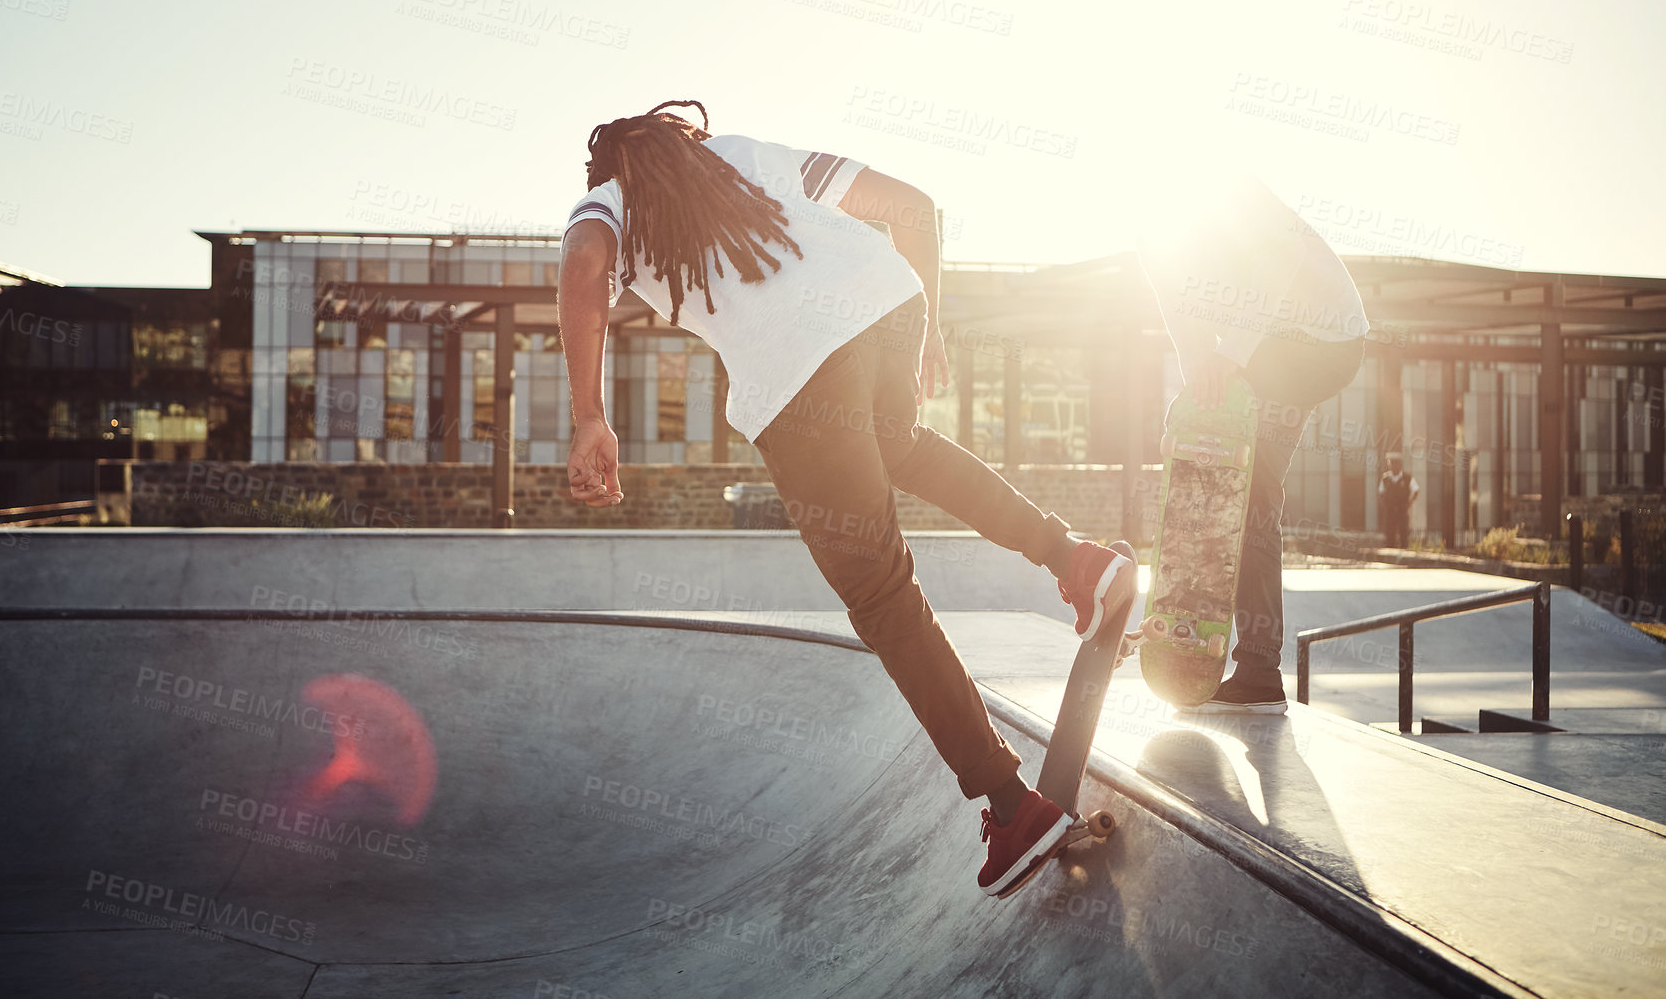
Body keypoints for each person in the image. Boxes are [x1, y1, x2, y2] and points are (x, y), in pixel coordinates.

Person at [557, 101, 1137, 896]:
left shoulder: (616, 202)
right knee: (898, 443)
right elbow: (912, 208)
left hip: (800, 375)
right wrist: (927, 328)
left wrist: (591, 415)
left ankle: (1013, 806)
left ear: (614, 172)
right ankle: (1078, 559)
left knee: (879, 593)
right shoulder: (748, 154)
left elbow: (585, 263)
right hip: (885, 307)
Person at [1137, 173, 1368, 714]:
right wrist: (1198, 389)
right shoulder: (1152, 239)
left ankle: (1260, 667)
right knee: (1246, 482)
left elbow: (1280, 265)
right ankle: (1258, 666)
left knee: (1253, 487)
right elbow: (1180, 318)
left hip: (1323, 339)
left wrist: (1231, 356)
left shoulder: (1232, 191)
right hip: (1273, 346)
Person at [1378, 451, 1419, 548]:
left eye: (1396, 463)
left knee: (1403, 531)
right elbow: (1381, 492)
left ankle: (1404, 549)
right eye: (1391, 463)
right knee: (1389, 531)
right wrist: (1384, 504)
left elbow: (1416, 490)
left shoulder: (1407, 478)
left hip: (1402, 509)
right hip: (1390, 510)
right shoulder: (1385, 478)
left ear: (1400, 464)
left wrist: (1409, 503)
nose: (1393, 465)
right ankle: (1390, 549)